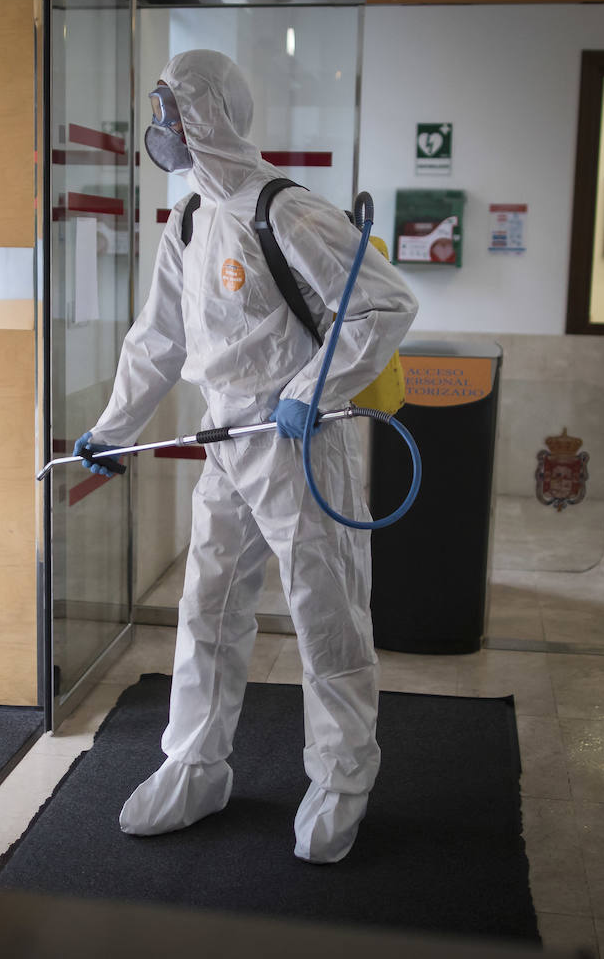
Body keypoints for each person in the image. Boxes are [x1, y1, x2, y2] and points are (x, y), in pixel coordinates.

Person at [75, 49, 417, 864]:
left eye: (171, 112)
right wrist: (116, 427)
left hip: (299, 443)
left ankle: (342, 778)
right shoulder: (188, 219)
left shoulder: (284, 211)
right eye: (159, 111)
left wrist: (309, 386)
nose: (162, 129)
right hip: (224, 444)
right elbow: (157, 338)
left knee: (324, 614)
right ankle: (194, 763)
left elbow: (383, 303)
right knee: (208, 610)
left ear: (208, 116)